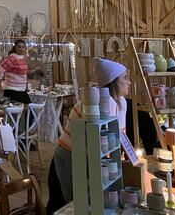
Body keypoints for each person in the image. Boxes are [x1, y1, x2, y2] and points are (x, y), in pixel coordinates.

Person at [46, 57, 130, 214]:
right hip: (69, 156)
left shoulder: (121, 102)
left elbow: (117, 137)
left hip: (89, 157)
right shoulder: (100, 104)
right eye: (125, 78)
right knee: (67, 203)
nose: (129, 82)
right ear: (113, 82)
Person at [0, 39, 43, 104]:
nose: (21, 49)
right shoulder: (12, 58)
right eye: (19, 47)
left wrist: (35, 70)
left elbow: (24, 72)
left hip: (21, 90)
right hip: (12, 90)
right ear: (15, 48)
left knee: (28, 108)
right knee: (22, 109)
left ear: (25, 48)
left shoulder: (22, 58)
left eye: (23, 47)